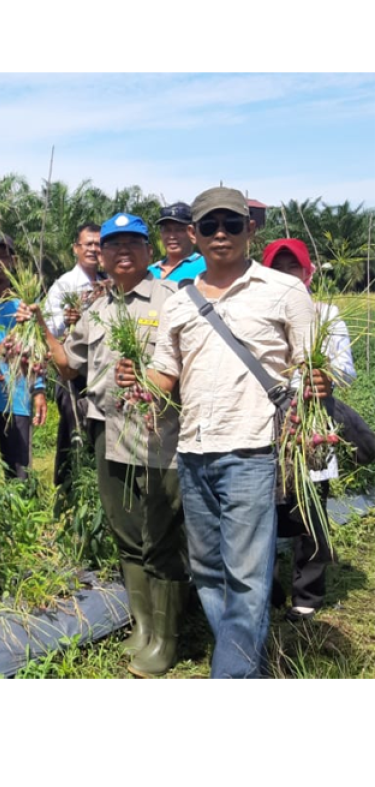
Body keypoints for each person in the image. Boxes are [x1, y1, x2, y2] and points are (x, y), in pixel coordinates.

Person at [121, 187, 319, 678]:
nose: (221, 234)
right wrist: (140, 383)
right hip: (193, 451)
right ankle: (246, 665)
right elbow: (166, 375)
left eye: (232, 223)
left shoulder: (284, 291)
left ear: (251, 229)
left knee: (248, 578)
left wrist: (317, 382)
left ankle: (229, 678)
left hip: (253, 449)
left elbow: (313, 366)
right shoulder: (181, 302)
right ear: (194, 235)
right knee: (209, 572)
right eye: (209, 226)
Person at [27, 213, 188, 677]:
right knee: (125, 532)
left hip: (159, 437)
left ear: (147, 250)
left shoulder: (172, 300)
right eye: (112, 244)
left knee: (162, 537)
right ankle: (142, 626)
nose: (121, 252)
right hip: (108, 432)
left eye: (132, 244)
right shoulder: (96, 308)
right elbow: (69, 368)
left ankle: (167, 638)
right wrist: (41, 324)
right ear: (102, 252)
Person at [263, 238, 356, 621]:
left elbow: (346, 370)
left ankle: (307, 594)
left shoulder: (325, 313)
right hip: (266, 421)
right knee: (262, 505)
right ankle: (265, 584)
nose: (286, 275)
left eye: (294, 268)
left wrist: (326, 379)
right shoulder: (258, 313)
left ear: (308, 272)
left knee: (311, 506)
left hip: (313, 422)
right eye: (277, 268)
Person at [0, 235, 48, 479]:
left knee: (19, 473)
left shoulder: (26, 301)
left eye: (3, 256)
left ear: (13, 261)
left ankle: (19, 517)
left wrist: (39, 389)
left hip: (19, 400)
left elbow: (36, 350)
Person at [41, 223, 102, 486]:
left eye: (99, 244)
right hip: (73, 373)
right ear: (76, 248)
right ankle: (69, 489)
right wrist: (67, 321)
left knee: (95, 433)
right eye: (87, 244)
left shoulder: (106, 282)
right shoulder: (65, 285)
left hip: (100, 371)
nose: (93, 249)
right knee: (73, 431)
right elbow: (46, 326)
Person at [149, 202, 205, 281]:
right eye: (167, 230)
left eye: (179, 230)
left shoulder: (207, 267)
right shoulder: (150, 271)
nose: (172, 236)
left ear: (192, 232)